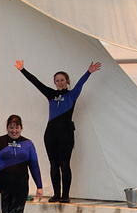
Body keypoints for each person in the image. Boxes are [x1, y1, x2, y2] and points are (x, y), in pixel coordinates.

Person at [16, 59, 101, 202]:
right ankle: (56, 194)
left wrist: (88, 72)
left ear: (67, 81)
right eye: (57, 80)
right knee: (54, 164)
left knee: (64, 164)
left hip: (66, 134)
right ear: (54, 82)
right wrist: (22, 69)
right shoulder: (50, 94)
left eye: (62, 80)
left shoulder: (72, 95)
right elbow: (36, 82)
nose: (60, 82)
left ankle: (65, 195)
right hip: (51, 134)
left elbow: (80, 83)